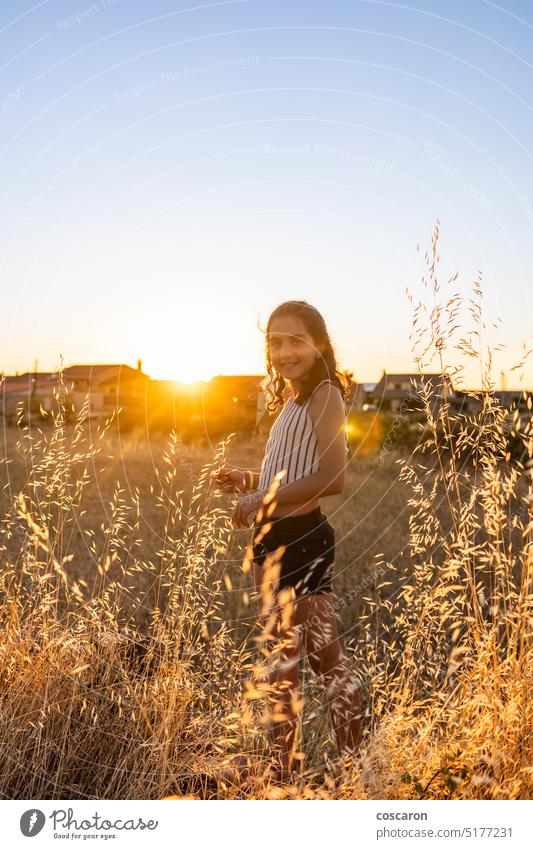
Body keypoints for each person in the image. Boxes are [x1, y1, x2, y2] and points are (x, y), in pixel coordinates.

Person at [211, 300, 361, 784]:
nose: (283, 351)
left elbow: (332, 478)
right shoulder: (293, 399)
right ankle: (288, 771)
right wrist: (249, 479)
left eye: (295, 340)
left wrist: (260, 497)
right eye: (274, 342)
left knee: (316, 661)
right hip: (270, 538)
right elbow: (293, 474)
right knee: (287, 657)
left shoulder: (323, 394)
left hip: (301, 538)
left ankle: (339, 770)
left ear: (318, 344)